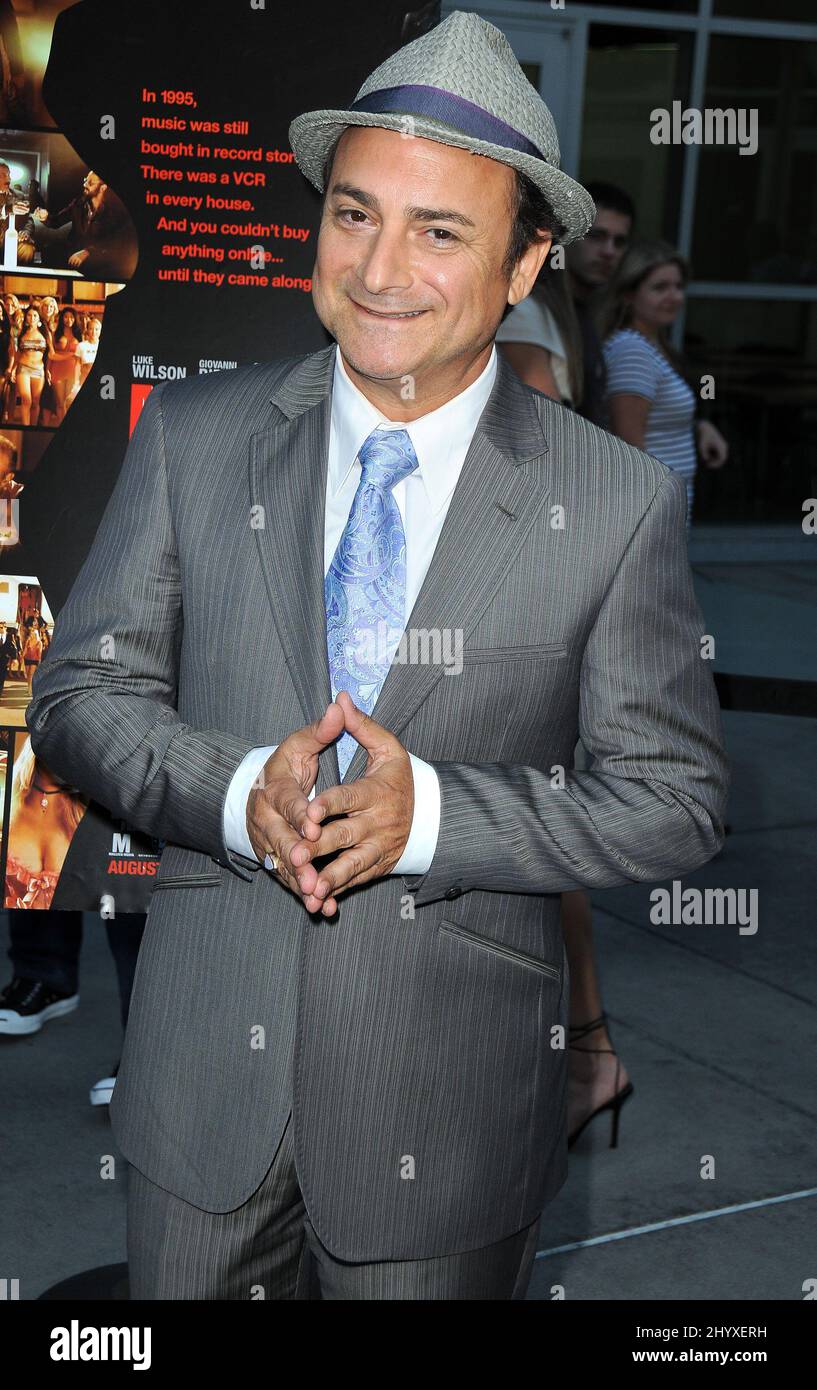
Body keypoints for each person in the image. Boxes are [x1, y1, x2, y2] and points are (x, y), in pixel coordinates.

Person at [26, 11, 729, 1301]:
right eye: (353, 214)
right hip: (197, 1099)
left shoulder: (612, 502)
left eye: (439, 230)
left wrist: (436, 816)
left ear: (525, 267)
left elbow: (673, 802)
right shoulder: (194, 435)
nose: (379, 267)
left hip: (446, 1113)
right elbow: (81, 697)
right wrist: (239, 790)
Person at [599, 239, 729, 527]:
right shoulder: (632, 351)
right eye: (660, 288)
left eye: (678, 286)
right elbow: (630, 450)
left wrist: (700, 428)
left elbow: (656, 417)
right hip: (648, 518)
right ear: (629, 295)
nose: (674, 297)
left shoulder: (654, 347)